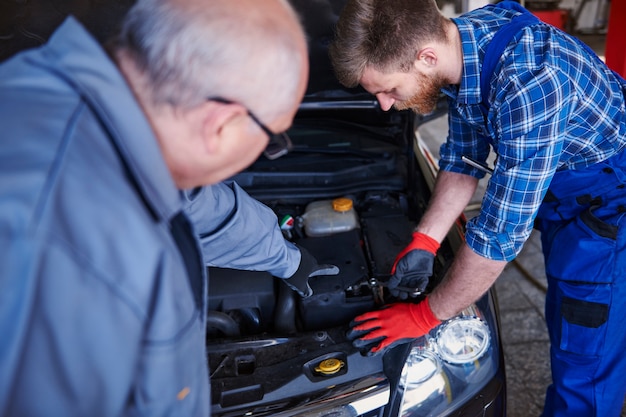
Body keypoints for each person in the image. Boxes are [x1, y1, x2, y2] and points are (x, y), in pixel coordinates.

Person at [0, 0, 321, 415]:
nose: (268, 150)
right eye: (273, 139)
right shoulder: (71, 257)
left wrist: (285, 258)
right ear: (220, 124)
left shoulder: (49, 93)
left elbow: (202, 210)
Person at [329, 1, 626, 416]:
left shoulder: (530, 83)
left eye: (389, 89)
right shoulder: (461, 44)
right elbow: (464, 158)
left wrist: (424, 316)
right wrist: (425, 239)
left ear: (426, 58)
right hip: (567, 189)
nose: (383, 105)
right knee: (568, 324)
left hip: (610, 204)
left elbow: (498, 239)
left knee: (585, 358)